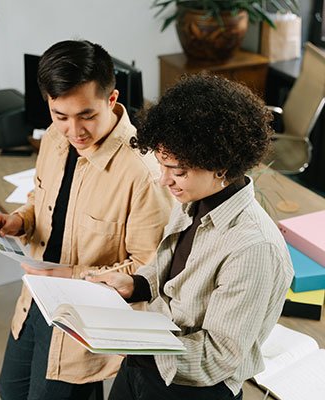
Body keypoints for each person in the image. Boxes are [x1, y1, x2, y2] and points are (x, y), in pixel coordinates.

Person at [86, 74, 294, 400]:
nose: (163, 180)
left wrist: (132, 344)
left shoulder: (253, 248)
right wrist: (137, 285)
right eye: (161, 165)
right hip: (148, 360)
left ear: (220, 165)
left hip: (193, 388)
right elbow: (175, 272)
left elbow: (218, 357)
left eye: (177, 170)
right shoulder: (193, 201)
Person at [0, 39, 173, 400]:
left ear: (112, 99)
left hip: (84, 318)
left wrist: (72, 275)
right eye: (60, 116)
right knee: (9, 390)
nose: (74, 131)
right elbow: (43, 200)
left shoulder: (141, 171)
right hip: (37, 300)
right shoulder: (54, 141)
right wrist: (20, 221)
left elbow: (150, 268)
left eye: (86, 115)